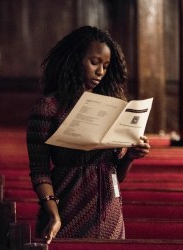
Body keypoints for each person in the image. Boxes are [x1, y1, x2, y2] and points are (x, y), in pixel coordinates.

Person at [26, 26, 151, 244]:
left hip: (109, 213)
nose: (101, 71)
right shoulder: (49, 107)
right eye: (94, 62)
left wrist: (130, 156)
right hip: (65, 208)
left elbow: (113, 174)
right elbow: (39, 171)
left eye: (105, 66)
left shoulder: (115, 107)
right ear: (74, 60)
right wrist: (53, 214)